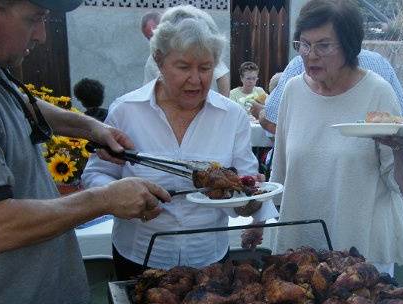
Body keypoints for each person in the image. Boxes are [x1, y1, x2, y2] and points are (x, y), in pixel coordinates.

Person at [0, 0, 171, 304]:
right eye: (33, 20)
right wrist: (103, 199)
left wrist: (91, 128)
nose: (41, 35)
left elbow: (25, 106)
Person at [83, 5, 277, 279]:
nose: (196, 80)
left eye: (206, 67)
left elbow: (243, 192)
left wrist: (252, 199)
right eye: (183, 66)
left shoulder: (232, 116)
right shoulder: (126, 110)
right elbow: (96, 173)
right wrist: (118, 195)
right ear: (159, 60)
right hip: (139, 257)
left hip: (208, 259)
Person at [269, 0, 403, 277]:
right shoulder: (292, 91)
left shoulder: (378, 92)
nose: (311, 55)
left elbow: (401, 186)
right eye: (304, 44)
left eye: (324, 46)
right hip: (304, 248)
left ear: (349, 46)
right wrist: (260, 218)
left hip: (363, 253)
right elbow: (281, 172)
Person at [258, 50, 403, 136]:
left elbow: (271, 121)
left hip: (311, 175)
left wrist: (260, 112)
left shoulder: (299, 65)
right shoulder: (379, 62)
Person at [142, 8, 231, 96]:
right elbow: (147, 90)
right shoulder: (152, 61)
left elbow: (222, 77)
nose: (195, 81)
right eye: (149, 37)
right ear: (158, 59)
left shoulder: (204, 48)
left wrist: (223, 105)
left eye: (204, 68)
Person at [142, 11, 162, 84]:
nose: (152, 41)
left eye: (154, 35)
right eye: (149, 38)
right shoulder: (151, 63)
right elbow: (148, 91)